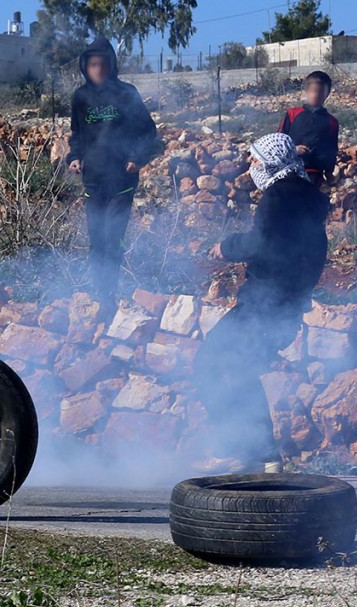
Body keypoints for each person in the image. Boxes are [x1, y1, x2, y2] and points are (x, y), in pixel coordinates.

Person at [192, 132, 329, 473]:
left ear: (270, 161)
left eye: (254, 159)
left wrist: (228, 246)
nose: (250, 166)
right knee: (239, 369)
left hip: (265, 302)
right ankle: (264, 456)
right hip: (287, 304)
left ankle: (240, 449)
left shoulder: (277, 196)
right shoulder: (307, 198)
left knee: (210, 362)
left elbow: (261, 242)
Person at [66, 37, 162, 309]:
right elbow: (77, 135)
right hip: (93, 179)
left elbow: (148, 131)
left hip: (121, 179)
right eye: (93, 64)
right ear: (85, 67)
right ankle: (101, 294)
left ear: (111, 65)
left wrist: (138, 158)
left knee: (113, 237)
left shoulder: (126, 93)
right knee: (96, 238)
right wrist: (74, 157)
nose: (98, 69)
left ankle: (114, 289)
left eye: (103, 64)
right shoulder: (80, 97)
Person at [277, 70, 339, 185]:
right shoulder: (292, 114)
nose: (316, 95)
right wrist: (293, 149)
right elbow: (278, 142)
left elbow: (331, 149)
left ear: (327, 94)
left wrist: (329, 173)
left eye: (321, 92)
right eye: (313, 91)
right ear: (306, 91)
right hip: (289, 171)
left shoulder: (332, 122)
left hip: (315, 175)